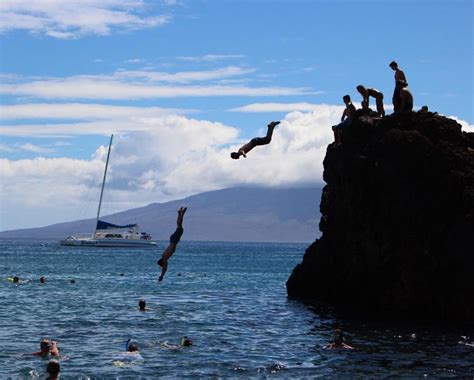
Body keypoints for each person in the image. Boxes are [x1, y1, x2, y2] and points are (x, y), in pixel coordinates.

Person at [157, 207, 187, 281]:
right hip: (172, 240)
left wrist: (161, 276)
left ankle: (181, 214)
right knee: (179, 226)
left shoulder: (165, 258)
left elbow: (165, 268)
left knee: (179, 227)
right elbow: (164, 267)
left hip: (174, 241)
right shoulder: (163, 255)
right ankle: (180, 214)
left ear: (163, 263)